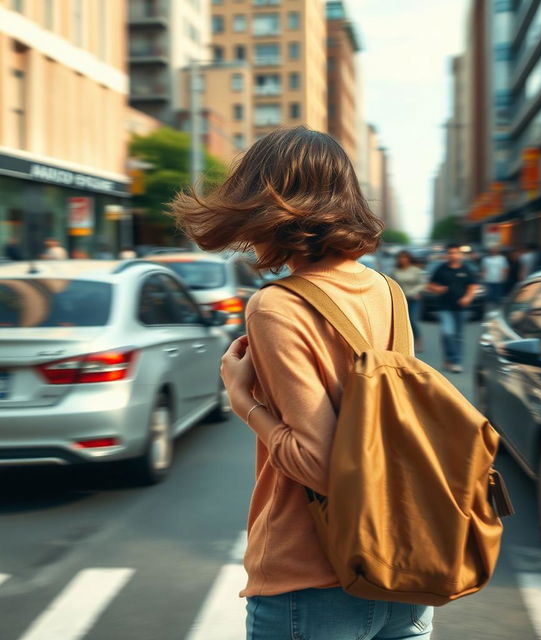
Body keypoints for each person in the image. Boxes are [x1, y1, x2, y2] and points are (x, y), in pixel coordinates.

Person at [170, 127, 434, 640]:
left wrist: (243, 400)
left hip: (312, 581)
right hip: (405, 568)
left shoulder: (277, 305)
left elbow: (318, 463)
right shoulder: (388, 291)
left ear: (269, 208)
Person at [427, 243, 477, 374]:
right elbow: (430, 285)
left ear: (460, 254)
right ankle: (451, 358)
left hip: (461, 307)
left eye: (455, 253)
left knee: (458, 336)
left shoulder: (466, 269)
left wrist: (468, 297)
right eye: (450, 253)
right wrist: (438, 289)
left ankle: (456, 361)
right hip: (445, 307)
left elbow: (473, 286)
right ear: (447, 255)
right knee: (447, 333)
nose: (453, 255)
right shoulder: (441, 269)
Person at [392, 250, 426, 353]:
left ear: (409, 259)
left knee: (412, 320)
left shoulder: (415, 270)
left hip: (414, 299)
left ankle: (417, 340)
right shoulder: (395, 271)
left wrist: (415, 292)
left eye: (405, 257)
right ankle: (402, 343)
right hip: (400, 299)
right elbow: (392, 283)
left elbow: (422, 284)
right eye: (401, 258)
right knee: (400, 322)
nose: (403, 260)